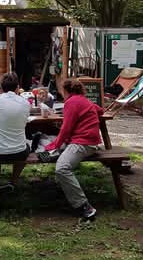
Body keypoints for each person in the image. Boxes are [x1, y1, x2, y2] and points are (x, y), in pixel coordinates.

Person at [44, 78, 104, 219]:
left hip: (83, 143)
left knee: (61, 168)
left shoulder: (71, 102)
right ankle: (50, 155)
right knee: (51, 146)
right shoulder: (84, 100)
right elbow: (100, 110)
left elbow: (66, 129)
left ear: (66, 91)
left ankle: (85, 206)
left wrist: (54, 145)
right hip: (91, 142)